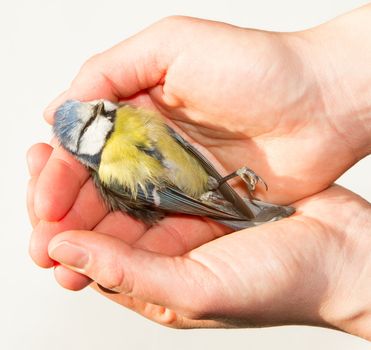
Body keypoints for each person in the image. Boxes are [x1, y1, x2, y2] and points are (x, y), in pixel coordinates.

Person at [27, 4, 370, 340]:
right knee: (216, 200)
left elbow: (186, 149)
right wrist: (344, 272)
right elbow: (170, 195)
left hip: (200, 173)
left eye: (95, 107)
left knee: (213, 188)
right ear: (87, 145)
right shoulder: (112, 169)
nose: (100, 109)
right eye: (92, 121)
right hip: (189, 191)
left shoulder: (128, 115)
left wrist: (324, 84)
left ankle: (244, 207)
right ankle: (248, 213)